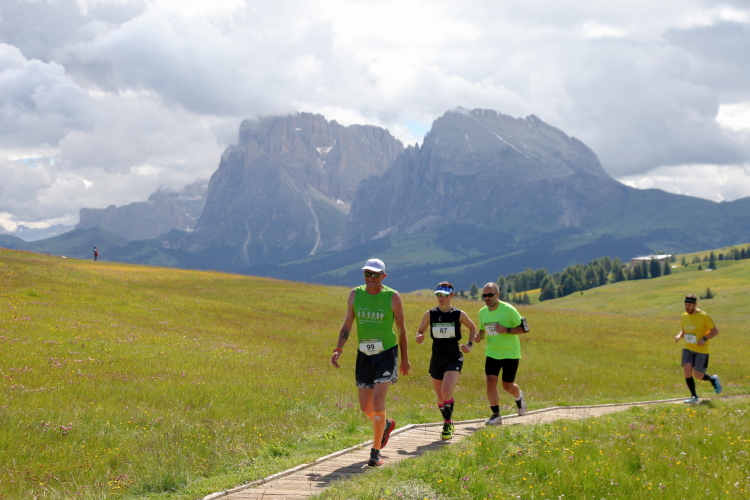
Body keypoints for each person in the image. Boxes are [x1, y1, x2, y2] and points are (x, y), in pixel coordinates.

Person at [330, 258, 410, 467]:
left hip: (386, 354)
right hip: (364, 354)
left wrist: (405, 359)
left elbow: (401, 329)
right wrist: (338, 349)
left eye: (375, 275)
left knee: (377, 401)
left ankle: (375, 452)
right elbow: (348, 323)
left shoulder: (392, 297)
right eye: (367, 274)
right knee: (365, 408)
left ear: (383, 276)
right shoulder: (355, 294)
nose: (371, 278)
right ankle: (385, 425)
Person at [415, 281, 477, 440]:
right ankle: (446, 420)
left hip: (453, 357)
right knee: (440, 396)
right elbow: (420, 330)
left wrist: (470, 344)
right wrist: (419, 336)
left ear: (451, 296)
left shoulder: (459, 314)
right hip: (437, 357)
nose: (441, 298)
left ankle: (447, 424)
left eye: (444, 295)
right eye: (438, 295)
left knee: (446, 390)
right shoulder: (430, 314)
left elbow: (472, 327)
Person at [474, 282, 530, 425]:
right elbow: (482, 330)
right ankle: (496, 415)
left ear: (498, 294)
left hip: (510, 353)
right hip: (492, 352)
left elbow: (525, 328)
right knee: (490, 382)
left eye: (490, 295)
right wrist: (479, 337)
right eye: (484, 295)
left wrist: (507, 330)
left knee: (507, 385)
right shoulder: (482, 312)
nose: (487, 298)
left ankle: (519, 397)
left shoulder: (508, 309)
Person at [674, 294, 722, 403]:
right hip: (688, 348)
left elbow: (715, 331)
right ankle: (694, 396)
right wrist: (679, 335)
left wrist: (704, 339)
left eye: (689, 305)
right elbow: (684, 330)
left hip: (701, 350)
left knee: (698, 375)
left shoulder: (704, 316)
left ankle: (712, 379)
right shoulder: (684, 316)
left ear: (695, 305)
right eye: (686, 304)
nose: (687, 307)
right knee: (687, 372)